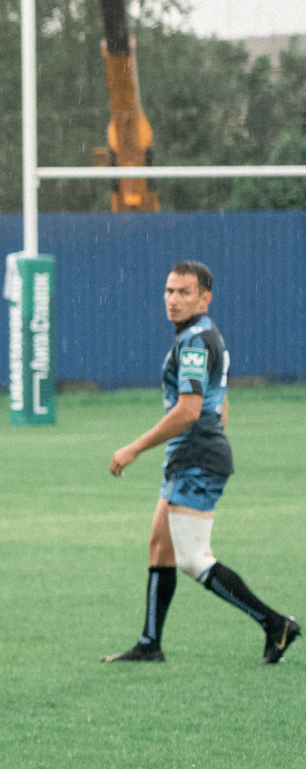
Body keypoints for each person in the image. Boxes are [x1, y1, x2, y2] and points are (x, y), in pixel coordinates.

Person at [105, 260, 298, 664]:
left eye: (184, 292)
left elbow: (189, 410)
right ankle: (149, 644)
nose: (173, 299)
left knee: (194, 559)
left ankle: (275, 624)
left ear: (204, 298)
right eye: (169, 291)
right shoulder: (206, 335)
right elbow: (221, 402)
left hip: (195, 457)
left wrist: (135, 447)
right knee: (160, 546)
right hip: (194, 454)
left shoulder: (194, 341)